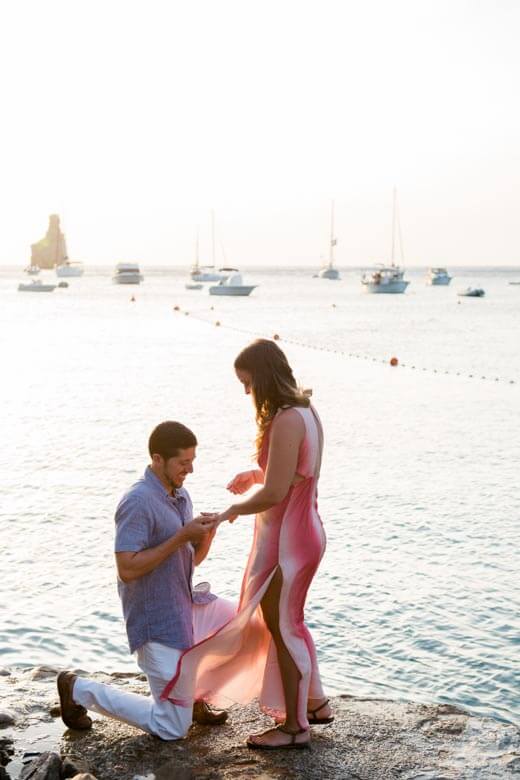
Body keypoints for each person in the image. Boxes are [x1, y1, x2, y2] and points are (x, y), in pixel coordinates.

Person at [162, 340, 332, 749]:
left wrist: (229, 511)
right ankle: (315, 704)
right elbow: (292, 476)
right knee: (289, 621)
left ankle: (294, 728)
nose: (246, 392)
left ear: (264, 377)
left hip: (289, 542)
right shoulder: (306, 412)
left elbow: (276, 493)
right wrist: (253, 475)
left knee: (283, 624)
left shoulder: (288, 419)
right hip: (304, 530)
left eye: (247, 382)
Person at [57, 421, 235, 740]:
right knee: (172, 728)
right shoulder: (137, 502)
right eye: (183, 462)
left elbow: (187, 561)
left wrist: (207, 536)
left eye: (192, 461)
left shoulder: (180, 495)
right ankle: (78, 689)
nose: (190, 469)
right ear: (157, 459)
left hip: (185, 606)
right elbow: (126, 568)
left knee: (244, 622)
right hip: (157, 623)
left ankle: (192, 695)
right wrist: (182, 535)